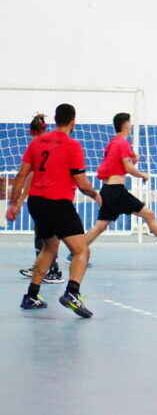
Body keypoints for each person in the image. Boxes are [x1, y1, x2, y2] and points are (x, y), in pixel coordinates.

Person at [6, 104, 101, 318]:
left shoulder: (37, 142)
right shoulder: (72, 145)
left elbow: (21, 175)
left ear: (56, 120)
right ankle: (72, 293)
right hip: (58, 204)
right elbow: (81, 182)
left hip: (37, 203)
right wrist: (95, 195)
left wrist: (13, 204)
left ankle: (31, 295)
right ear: (73, 121)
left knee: (50, 247)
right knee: (81, 250)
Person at [82, 112, 157, 257]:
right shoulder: (122, 143)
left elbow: (117, 165)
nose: (131, 125)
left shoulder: (113, 143)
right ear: (125, 124)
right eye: (130, 122)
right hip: (116, 191)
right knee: (149, 214)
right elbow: (128, 168)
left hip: (108, 190)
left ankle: (76, 252)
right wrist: (142, 175)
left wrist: (132, 160)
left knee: (100, 226)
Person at [18, 114, 64, 283]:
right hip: (53, 196)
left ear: (31, 131)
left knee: (47, 236)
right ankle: (40, 266)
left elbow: (29, 175)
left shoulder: (36, 146)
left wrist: (21, 197)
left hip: (43, 197)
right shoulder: (53, 144)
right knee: (45, 235)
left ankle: (54, 271)